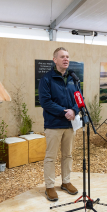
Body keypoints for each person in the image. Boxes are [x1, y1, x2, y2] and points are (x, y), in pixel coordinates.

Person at [39, 47, 79, 201]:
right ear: (55, 60)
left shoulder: (73, 79)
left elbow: (79, 98)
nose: (66, 59)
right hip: (54, 124)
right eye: (62, 56)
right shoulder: (47, 79)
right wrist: (65, 112)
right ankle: (49, 186)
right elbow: (46, 102)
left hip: (70, 125)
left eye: (68, 56)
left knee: (68, 155)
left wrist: (74, 111)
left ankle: (66, 182)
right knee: (51, 156)